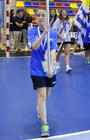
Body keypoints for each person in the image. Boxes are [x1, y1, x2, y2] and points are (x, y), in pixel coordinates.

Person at [27, 9, 58, 137]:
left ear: (47, 17)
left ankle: (40, 108)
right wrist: (43, 34)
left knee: (47, 94)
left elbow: (53, 51)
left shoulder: (53, 33)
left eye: (43, 15)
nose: (40, 17)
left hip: (49, 68)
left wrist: (51, 67)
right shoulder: (32, 31)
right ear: (36, 17)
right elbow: (34, 46)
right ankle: (45, 125)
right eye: (38, 15)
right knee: (42, 96)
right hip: (36, 69)